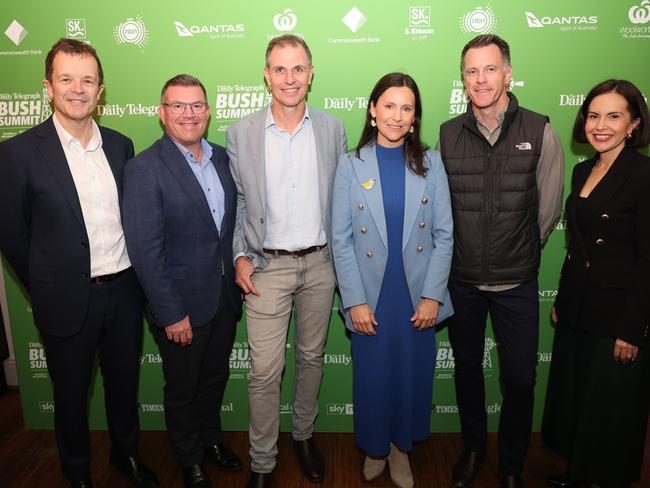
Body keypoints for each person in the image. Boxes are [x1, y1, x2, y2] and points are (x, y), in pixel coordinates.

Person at [0, 38, 158, 488]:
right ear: (48, 86)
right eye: (67, 79)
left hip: (125, 291)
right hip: (67, 297)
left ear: (101, 89)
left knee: (123, 386)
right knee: (70, 396)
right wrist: (48, 283)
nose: (78, 88)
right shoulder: (18, 153)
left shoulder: (120, 146)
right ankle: (77, 473)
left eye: (87, 80)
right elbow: (12, 233)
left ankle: (126, 457)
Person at [438, 34, 565, 488]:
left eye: (490, 69)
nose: (481, 79)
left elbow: (548, 210)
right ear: (463, 78)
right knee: (467, 371)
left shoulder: (539, 129)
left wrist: (519, 248)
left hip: (516, 282)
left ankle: (511, 464)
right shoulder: (447, 134)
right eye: (472, 71)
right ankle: (474, 450)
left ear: (508, 72)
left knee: (519, 379)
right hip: (463, 282)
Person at [226, 34, 347, 488]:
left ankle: (303, 436)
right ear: (266, 75)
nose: (289, 78)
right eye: (280, 69)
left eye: (298, 69)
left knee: (312, 358)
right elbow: (238, 203)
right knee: (264, 371)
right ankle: (262, 461)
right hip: (266, 267)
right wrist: (240, 254)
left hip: (320, 264)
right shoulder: (241, 132)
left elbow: (342, 198)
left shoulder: (333, 128)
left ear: (311, 74)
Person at [331, 72, 454, 488]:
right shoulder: (350, 164)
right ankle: (375, 447)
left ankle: (402, 449)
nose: (397, 116)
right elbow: (341, 239)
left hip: (417, 293)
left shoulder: (431, 162)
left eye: (407, 108)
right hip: (371, 294)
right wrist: (354, 301)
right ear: (372, 109)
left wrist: (433, 296)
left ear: (416, 117)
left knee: (412, 376)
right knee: (373, 377)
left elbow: (443, 235)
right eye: (389, 105)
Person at [122, 74, 243, 488]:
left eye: (196, 105)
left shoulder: (224, 159)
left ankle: (210, 441)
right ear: (162, 113)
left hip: (224, 297)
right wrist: (171, 313)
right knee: (183, 389)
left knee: (214, 379)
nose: (188, 114)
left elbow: (228, 230)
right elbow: (144, 250)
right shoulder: (144, 168)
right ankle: (188, 458)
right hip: (180, 307)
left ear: (208, 112)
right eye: (178, 106)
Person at [542, 79, 650, 488]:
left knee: (610, 411)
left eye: (613, 116)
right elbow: (578, 246)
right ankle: (579, 474)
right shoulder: (583, 168)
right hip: (579, 308)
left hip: (618, 313)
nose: (600, 125)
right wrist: (563, 300)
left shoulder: (643, 174)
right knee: (581, 402)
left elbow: (647, 260)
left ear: (634, 124)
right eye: (593, 115)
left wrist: (632, 328)